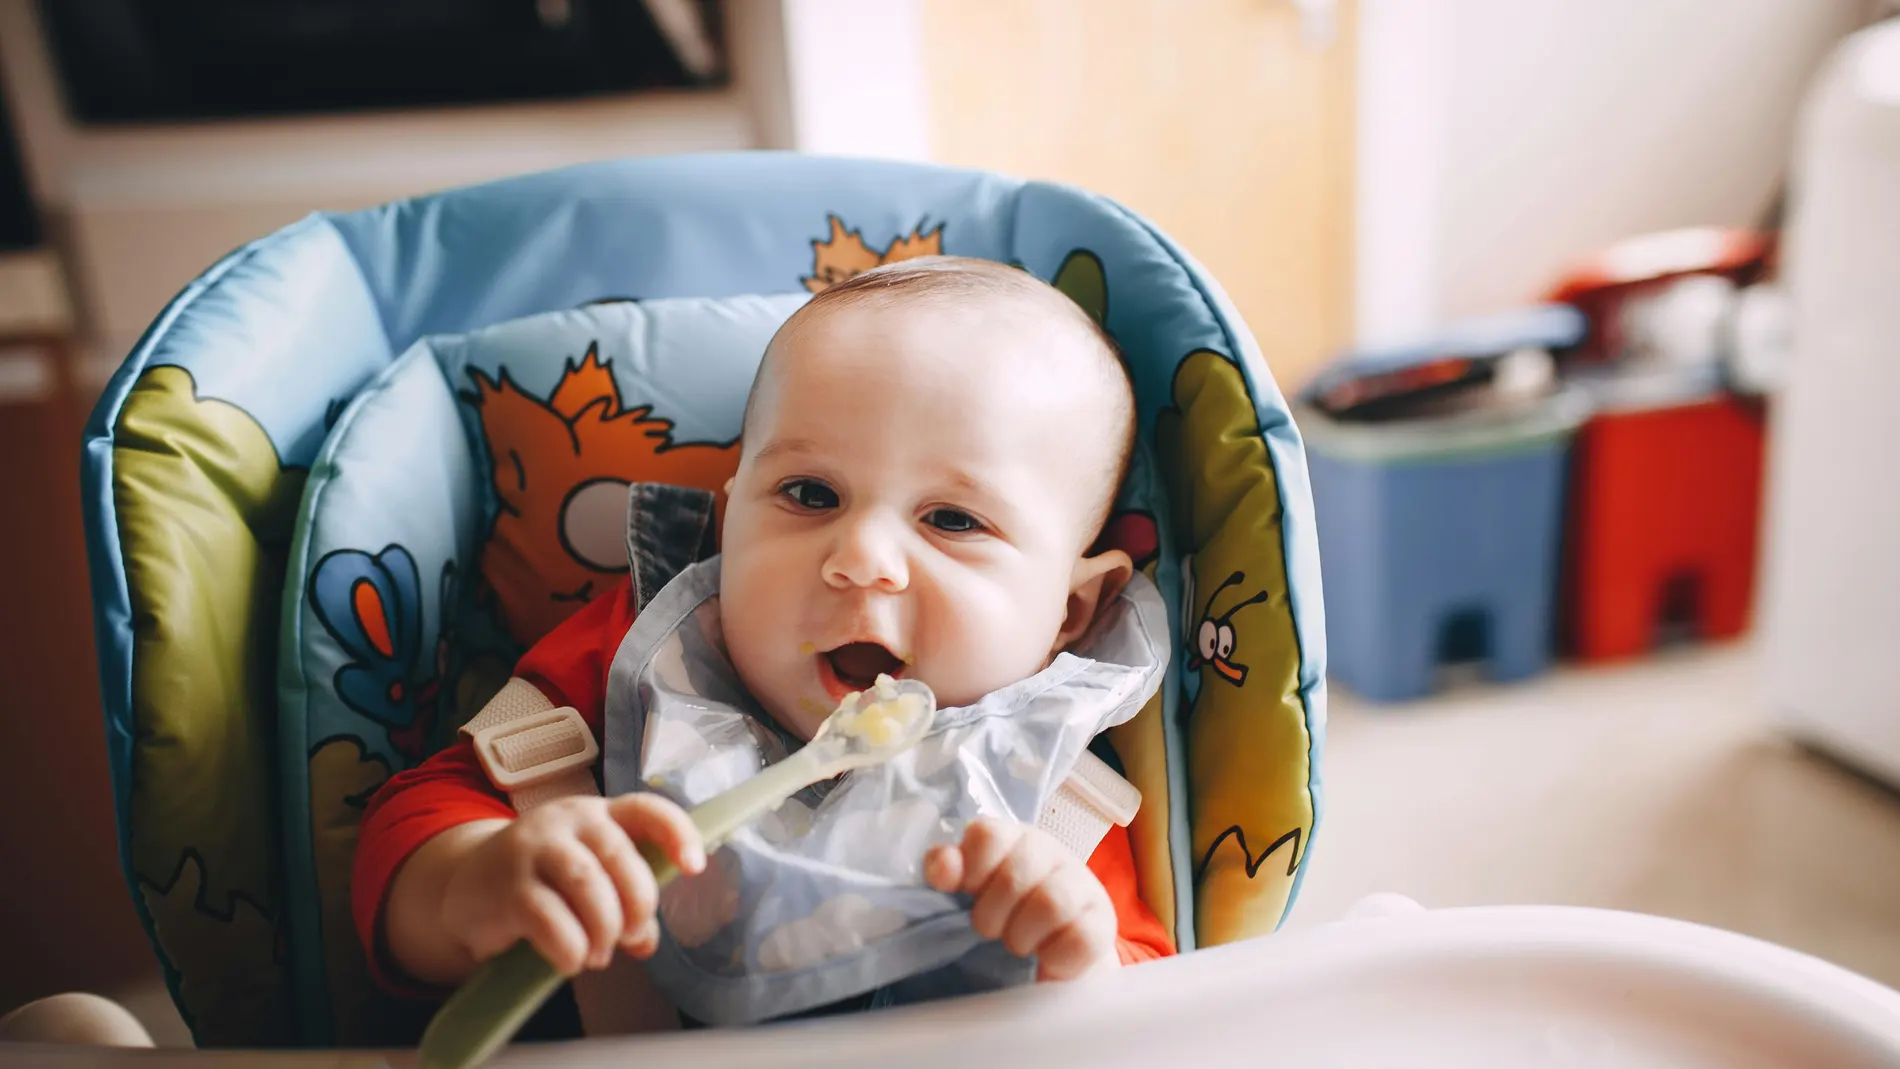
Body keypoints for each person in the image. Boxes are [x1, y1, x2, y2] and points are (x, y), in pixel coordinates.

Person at [353, 256, 1174, 1034]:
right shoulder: (647, 658)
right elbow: (412, 824)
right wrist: (473, 881)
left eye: (953, 519)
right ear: (730, 517)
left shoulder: (1048, 792)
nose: (861, 558)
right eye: (810, 493)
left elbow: (1162, 1012)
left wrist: (1081, 963)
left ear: (1068, 610)